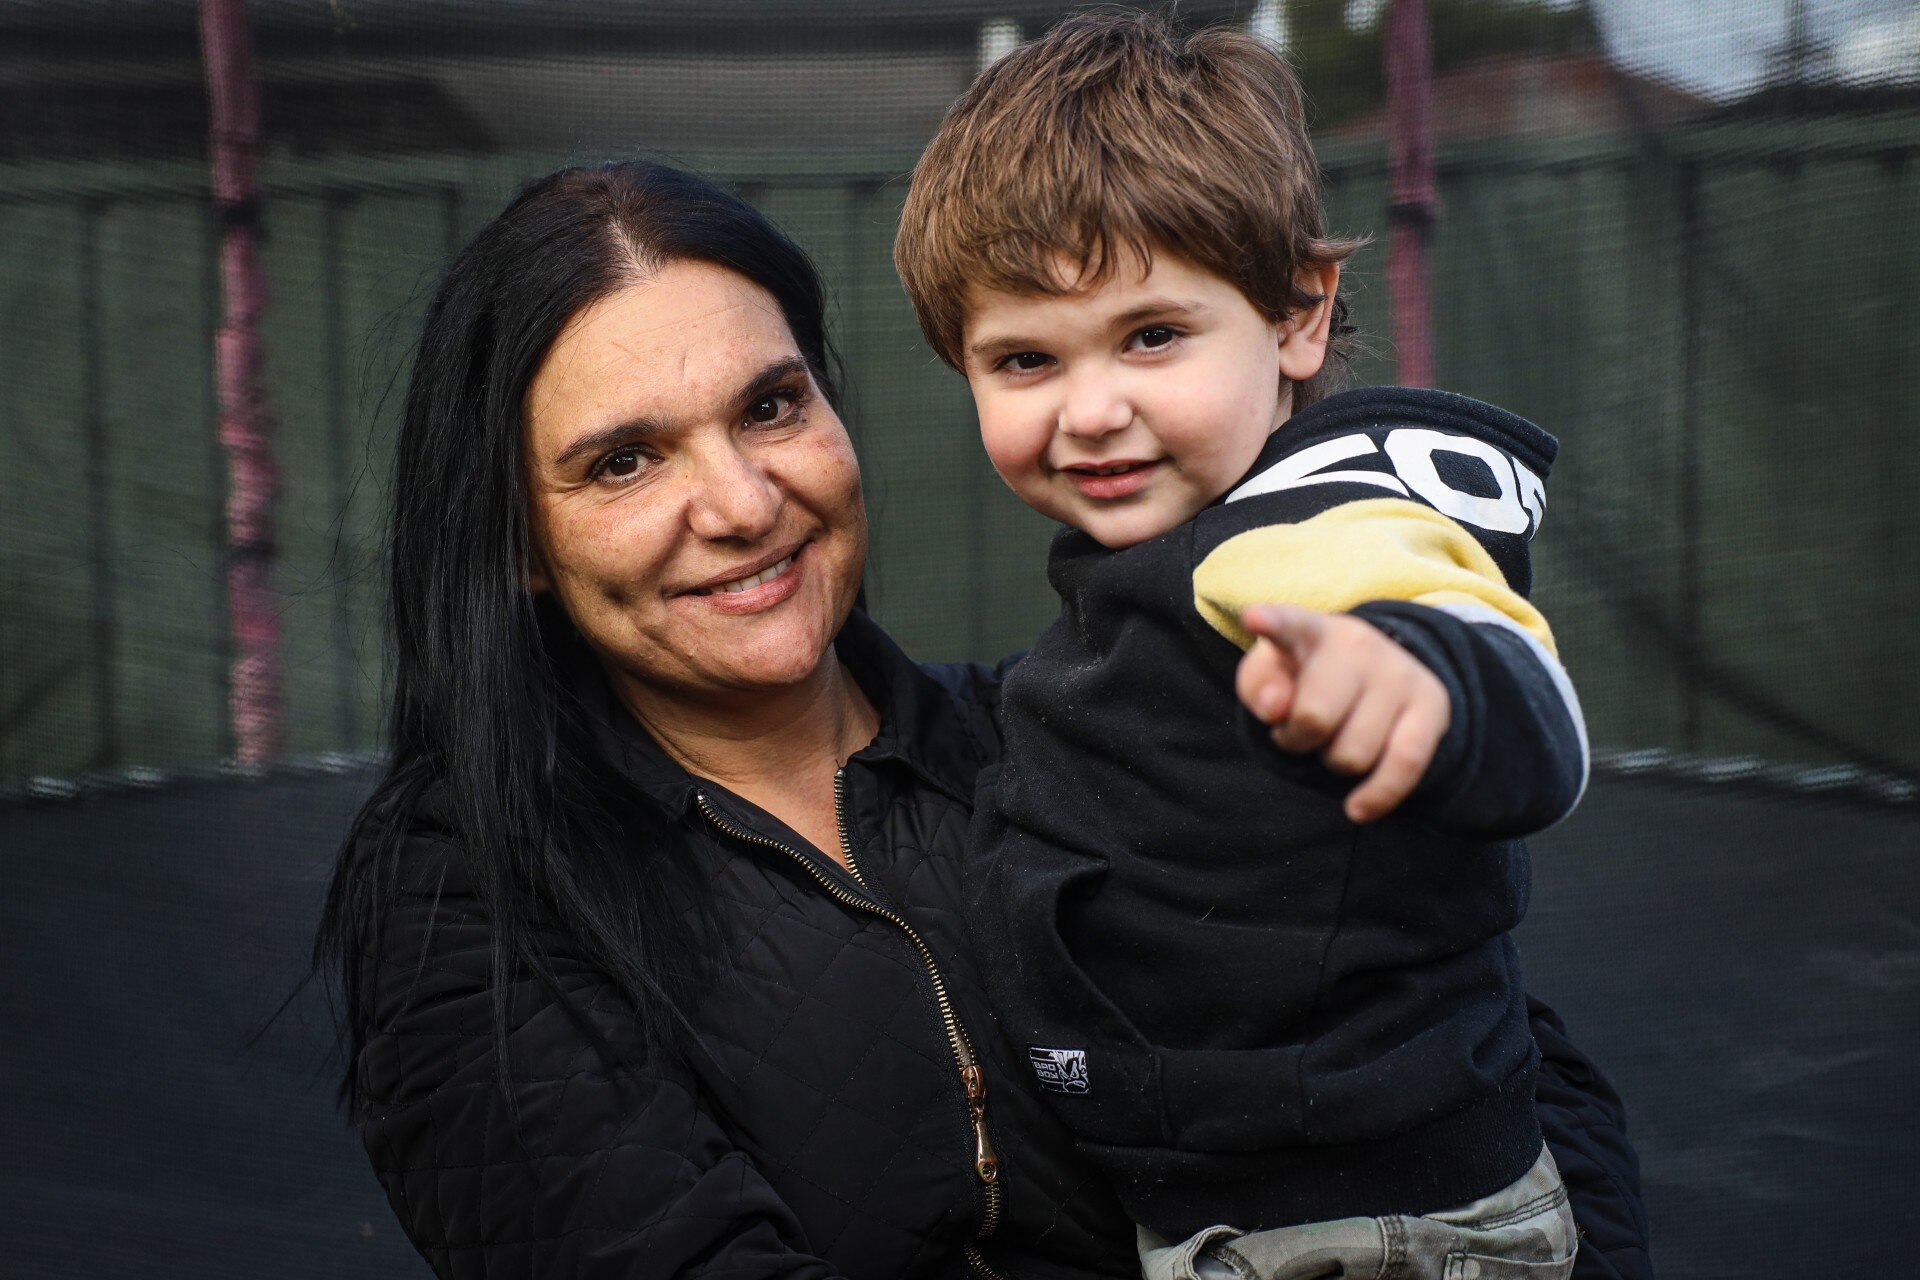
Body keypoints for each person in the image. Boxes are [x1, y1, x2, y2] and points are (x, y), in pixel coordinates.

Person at [318, 158, 1649, 1279]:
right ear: (518, 543)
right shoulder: (467, 890)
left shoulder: (1064, 736)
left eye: (770, 406)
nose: (736, 503)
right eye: (624, 460)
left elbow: (1502, 1064)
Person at [892, 13, 1624, 1280]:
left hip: (1373, 1229)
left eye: (1152, 335)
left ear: (1295, 315)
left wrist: (1418, 682)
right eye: (1024, 359)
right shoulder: (1160, 561)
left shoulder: (1308, 531)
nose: (1091, 407)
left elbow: (1516, 693)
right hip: (1255, 1206)